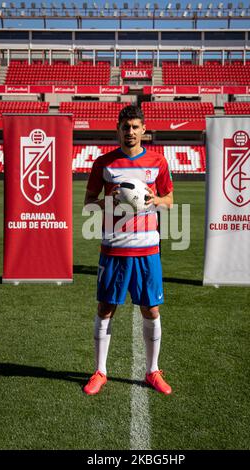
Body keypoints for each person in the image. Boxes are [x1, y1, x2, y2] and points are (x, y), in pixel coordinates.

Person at [83, 105, 173, 395]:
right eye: (125, 126)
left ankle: (152, 371)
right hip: (114, 249)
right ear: (118, 129)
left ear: (143, 130)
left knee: (151, 309)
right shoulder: (104, 163)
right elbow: (87, 204)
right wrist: (106, 199)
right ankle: (100, 371)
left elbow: (170, 199)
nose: (130, 131)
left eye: (135, 126)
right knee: (106, 308)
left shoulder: (157, 162)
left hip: (147, 249)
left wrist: (156, 199)